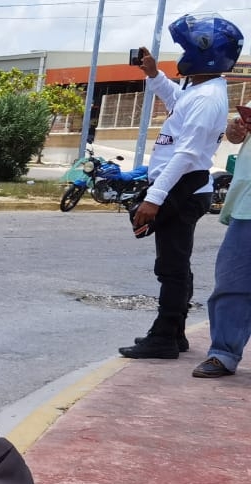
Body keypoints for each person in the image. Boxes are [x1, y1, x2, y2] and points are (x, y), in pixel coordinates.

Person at [120, 15, 243, 360]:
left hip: (184, 186)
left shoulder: (207, 98)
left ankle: (163, 337)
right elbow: (177, 103)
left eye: (187, 47)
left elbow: (187, 154)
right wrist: (153, 75)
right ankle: (174, 334)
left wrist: (155, 198)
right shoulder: (199, 90)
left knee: (171, 266)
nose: (182, 53)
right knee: (176, 263)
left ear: (205, 55)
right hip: (183, 185)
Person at [193, 105, 251, 377]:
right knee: (231, 282)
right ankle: (223, 354)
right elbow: (235, 135)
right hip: (246, 205)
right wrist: (235, 128)